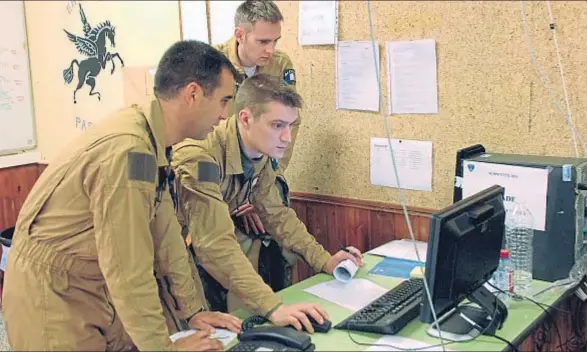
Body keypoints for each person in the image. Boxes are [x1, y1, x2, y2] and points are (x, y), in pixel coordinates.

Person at [2, 40, 242, 351]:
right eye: (224, 100)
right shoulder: (130, 150)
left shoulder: (151, 140)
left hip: (91, 286)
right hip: (54, 294)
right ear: (193, 94)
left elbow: (166, 234)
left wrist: (193, 310)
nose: (226, 115)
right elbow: (128, 266)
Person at [170, 74, 363, 333]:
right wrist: (273, 307)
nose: (287, 137)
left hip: (186, 252)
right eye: (277, 125)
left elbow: (277, 215)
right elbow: (213, 241)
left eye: (291, 126)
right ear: (246, 119)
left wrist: (324, 261)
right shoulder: (200, 157)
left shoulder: (259, 151)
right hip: (156, 259)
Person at [215, 0, 303, 285]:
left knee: (281, 253)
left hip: (265, 175)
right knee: (237, 268)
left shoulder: (280, 65)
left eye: (275, 40)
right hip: (224, 184)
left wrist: (268, 176)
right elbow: (208, 134)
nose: (271, 50)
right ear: (240, 34)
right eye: (263, 41)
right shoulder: (213, 66)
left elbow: (291, 121)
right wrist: (240, 194)